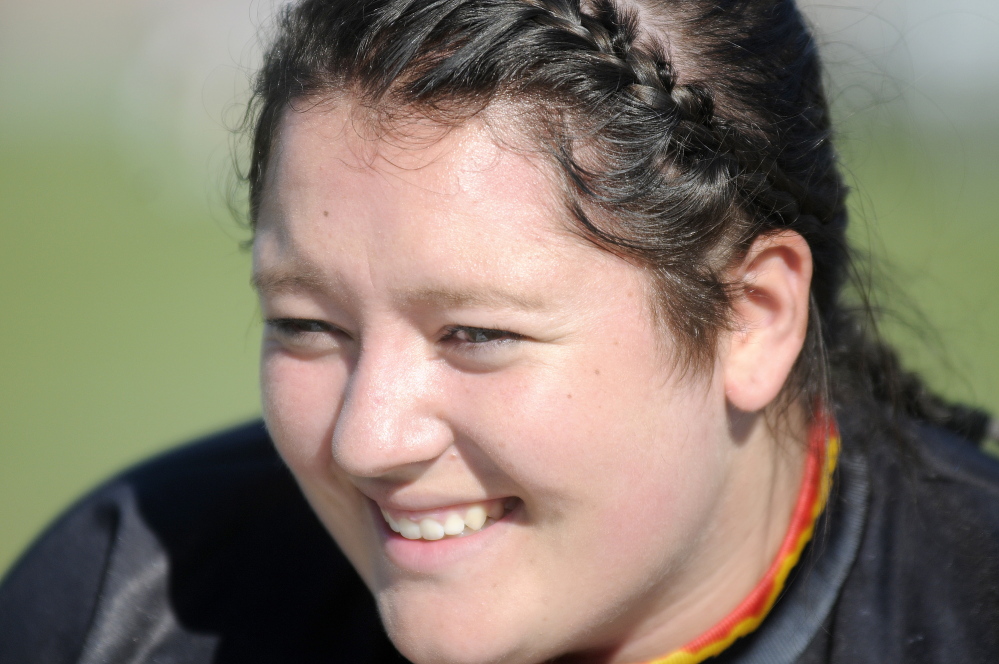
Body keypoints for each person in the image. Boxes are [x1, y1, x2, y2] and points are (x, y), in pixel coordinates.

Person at [1, 0, 998, 662]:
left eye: (474, 333)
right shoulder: (119, 612)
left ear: (752, 317)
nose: (365, 438)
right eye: (307, 324)